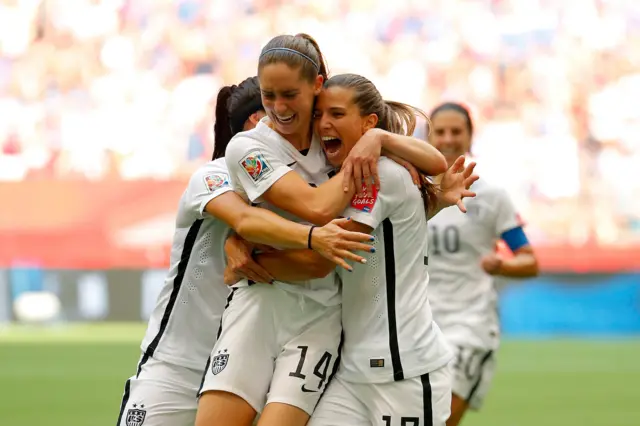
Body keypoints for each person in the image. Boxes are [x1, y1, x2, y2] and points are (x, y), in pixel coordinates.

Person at [196, 34, 449, 426]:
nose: (279, 109)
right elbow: (321, 216)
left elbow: (320, 251)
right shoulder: (256, 147)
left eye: (291, 96)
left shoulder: (374, 167)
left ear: (315, 86)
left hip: (395, 363)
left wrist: (249, 258)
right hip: (311, 342)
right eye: (269, 96)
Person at [115, 76, 376, 426]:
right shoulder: (213, 176)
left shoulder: (302, 184)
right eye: (267, 120)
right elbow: (245, 217)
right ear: (253, 127)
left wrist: (378, 139)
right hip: (178, 366)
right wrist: (309, 237)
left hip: (246, 362)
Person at [425, 102, 539, 426]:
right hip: (417, 323)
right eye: (440, 132)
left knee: (439, 419)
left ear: (470, 137)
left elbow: (529, 260)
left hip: (469, 324)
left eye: (456, 131)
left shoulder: (491, 197)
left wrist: (501, 265)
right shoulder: (412, 192)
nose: (447, 139)